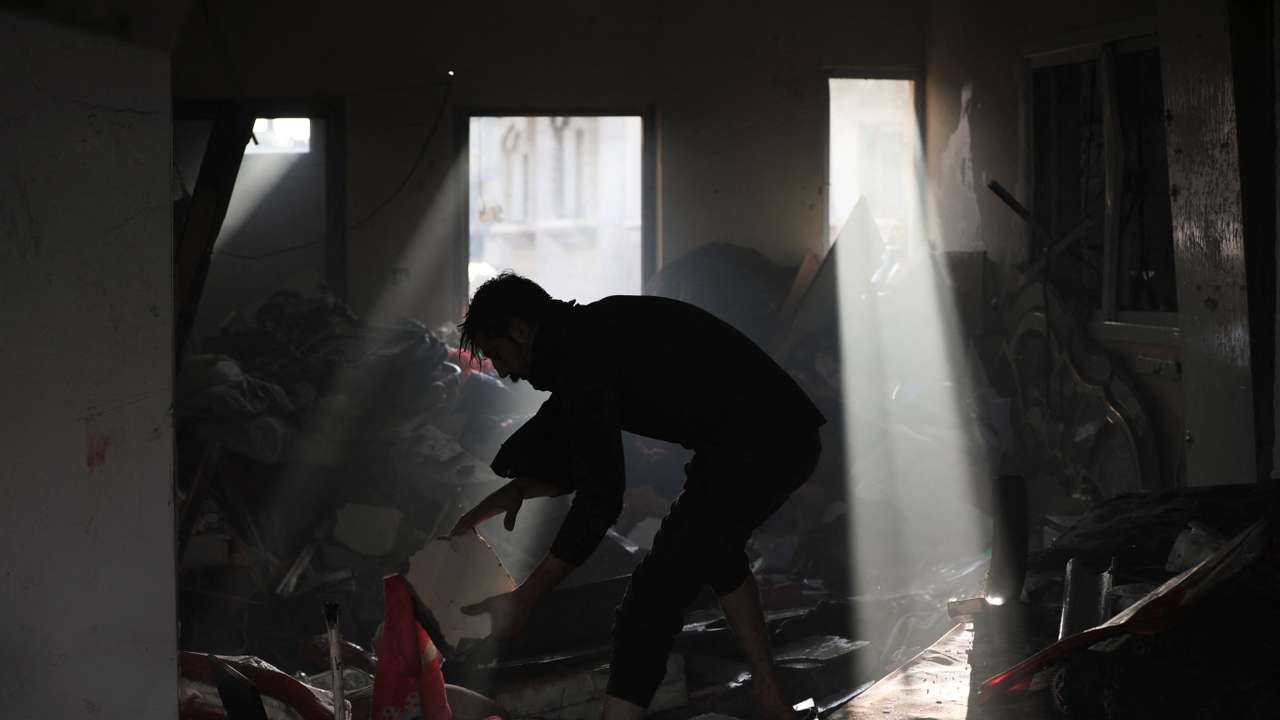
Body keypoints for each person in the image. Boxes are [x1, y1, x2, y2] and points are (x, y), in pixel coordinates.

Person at [448, 273, 824, 720]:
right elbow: (568, 432)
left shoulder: (584, 354)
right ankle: (770, 695)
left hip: (764, 443)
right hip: (753, 440)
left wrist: (526, 598)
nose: (505, 371)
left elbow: (601, 497)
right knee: (712, 551)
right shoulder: (586, 336)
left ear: (521, 330)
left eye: (498, 354)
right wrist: (520, 486)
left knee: (649, 602)